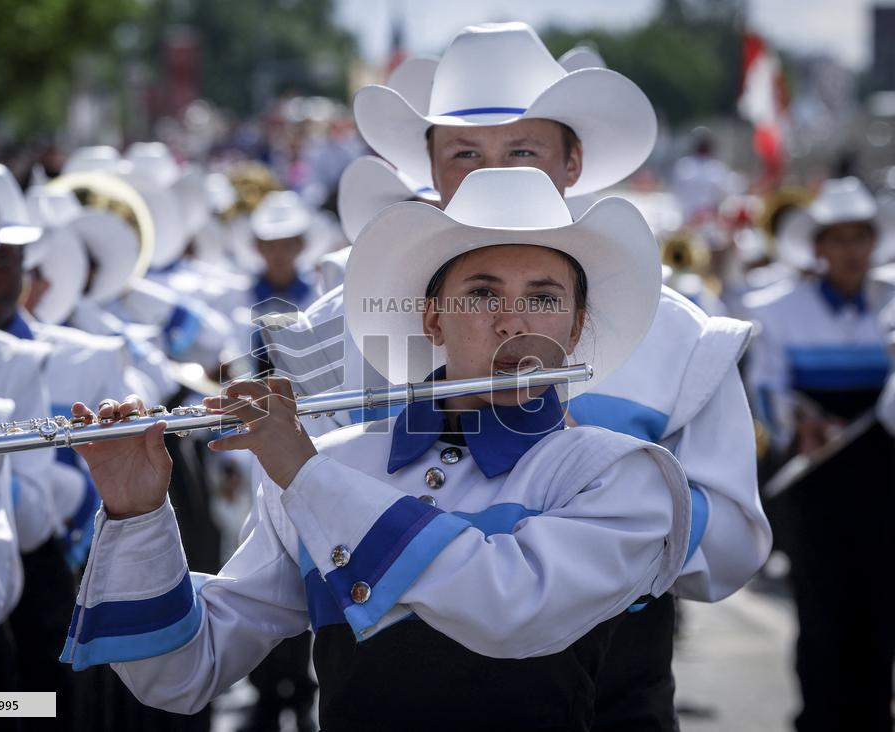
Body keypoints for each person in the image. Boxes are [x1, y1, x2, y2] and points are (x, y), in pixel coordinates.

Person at [59, 167, 690, 731]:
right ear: (432, 317)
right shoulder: (333, 463)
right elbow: (180, 675)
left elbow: (511, 608)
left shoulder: (616, 474)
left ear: (576, 326)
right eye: (481, 293)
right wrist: (137, 514)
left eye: (544, 298)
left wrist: (306, 475)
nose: (512, 321)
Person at [301, 24, 769, 729]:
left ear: (573, 162)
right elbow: (293, 533)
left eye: (522, 152)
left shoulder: (677, 334)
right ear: (427, 168)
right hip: (383, 686)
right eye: (465, 154)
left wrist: (605, 504)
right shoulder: (333, 329)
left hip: (608, 692)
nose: (493, 176)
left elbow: (733, 545)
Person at [744, 177, 895, 731]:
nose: (852, 250)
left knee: (880, 612)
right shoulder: (781, 309)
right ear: (820, 247)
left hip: (883, 481)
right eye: (840, 238)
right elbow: (767, 388)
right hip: (816, 482)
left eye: (862, 237)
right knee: (823, 611)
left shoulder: (892, 300)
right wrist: (800, 421)